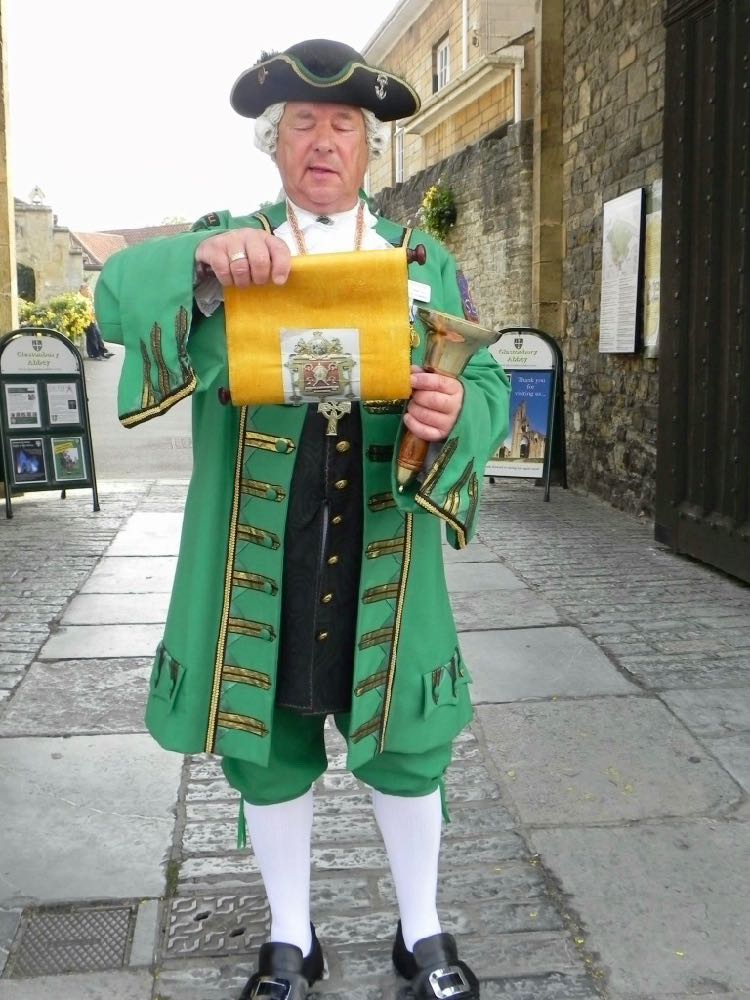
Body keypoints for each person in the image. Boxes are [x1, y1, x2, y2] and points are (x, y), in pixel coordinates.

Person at [95, 39, 510, 1000]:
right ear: (273, 146)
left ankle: (424, 932)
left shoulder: (425, 258)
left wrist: (460, 412)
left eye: (344, 128)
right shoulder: (223, 242)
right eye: (303, 127)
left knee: (409, 743)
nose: (324, 143)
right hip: (261, 550)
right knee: (269, 748)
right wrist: (200, 261)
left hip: (385, 545)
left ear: (369, 149)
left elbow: (484, 378)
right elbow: (115, 304)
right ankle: (292, 939)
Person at [79, 284, 113, 359]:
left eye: (89, 290)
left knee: (98, 334)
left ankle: (102, 352)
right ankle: (96, 354)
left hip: (91, 320)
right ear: (82, 291)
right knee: (93, 336)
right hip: (84, 321)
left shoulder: (89, 299)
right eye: (87, 290)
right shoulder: (80, 299)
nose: (89, 291)